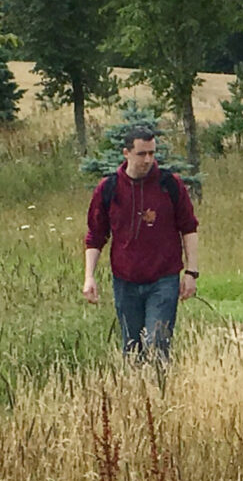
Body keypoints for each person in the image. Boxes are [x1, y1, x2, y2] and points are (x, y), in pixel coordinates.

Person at [81, 122, 198, 360]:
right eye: (141, 154)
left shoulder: (169, 185)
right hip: (125, 282)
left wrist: (191, 272)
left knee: (157, 343)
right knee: (132, 348)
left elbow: (189, 228)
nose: (148, 160)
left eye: (152, 153)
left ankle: (159, 393)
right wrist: (89, 277)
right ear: (126, 153)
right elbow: (95, 235)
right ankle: (135, 394)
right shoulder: (109, 188)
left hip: (163, 280)